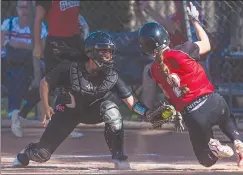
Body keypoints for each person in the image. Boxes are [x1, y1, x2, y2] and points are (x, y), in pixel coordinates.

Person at [11, 31, 160, 169]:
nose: (108, 56)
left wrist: (148, 114)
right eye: (104, 51)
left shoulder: (111, 75)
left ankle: (119, 157)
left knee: (111, 110)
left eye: (110, 52)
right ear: (91, 52)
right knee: (41, 155)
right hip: (67, 112)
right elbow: (45, 83)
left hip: (91, 112)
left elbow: (132, 103)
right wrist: (46, 106)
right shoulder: (70, 68)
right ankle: (28, 151)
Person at [137, 2, 243, 168]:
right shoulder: (185, 49)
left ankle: (213, 145)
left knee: (206, 161)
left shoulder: (154, 71)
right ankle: (238, 142)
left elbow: (170, 92)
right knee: (225, 116)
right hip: (214, 101)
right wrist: (195, 20)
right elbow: (207, 43)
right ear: (166, 37)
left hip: (193, 116)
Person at [11, 1, 89, 139]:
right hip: (57, 43)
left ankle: (63, 124)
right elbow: (38, 19)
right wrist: (37, 46)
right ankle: (20, 115)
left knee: (74, 83)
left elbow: (72, 14)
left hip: (75, 41)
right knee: (50, 84)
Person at [1, 1, 47, 119]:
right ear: (17, 9)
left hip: (30, 64)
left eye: (27, 8)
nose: (24, 11)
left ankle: (15, 111)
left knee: (20, 71)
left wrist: (15, 43)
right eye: (21, 7)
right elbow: (1, 44)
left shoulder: (39, 26)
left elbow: (41, 49)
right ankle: (16, 112)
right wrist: (30, 46)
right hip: (8, 63)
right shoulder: (8, 24)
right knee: (16, 71)